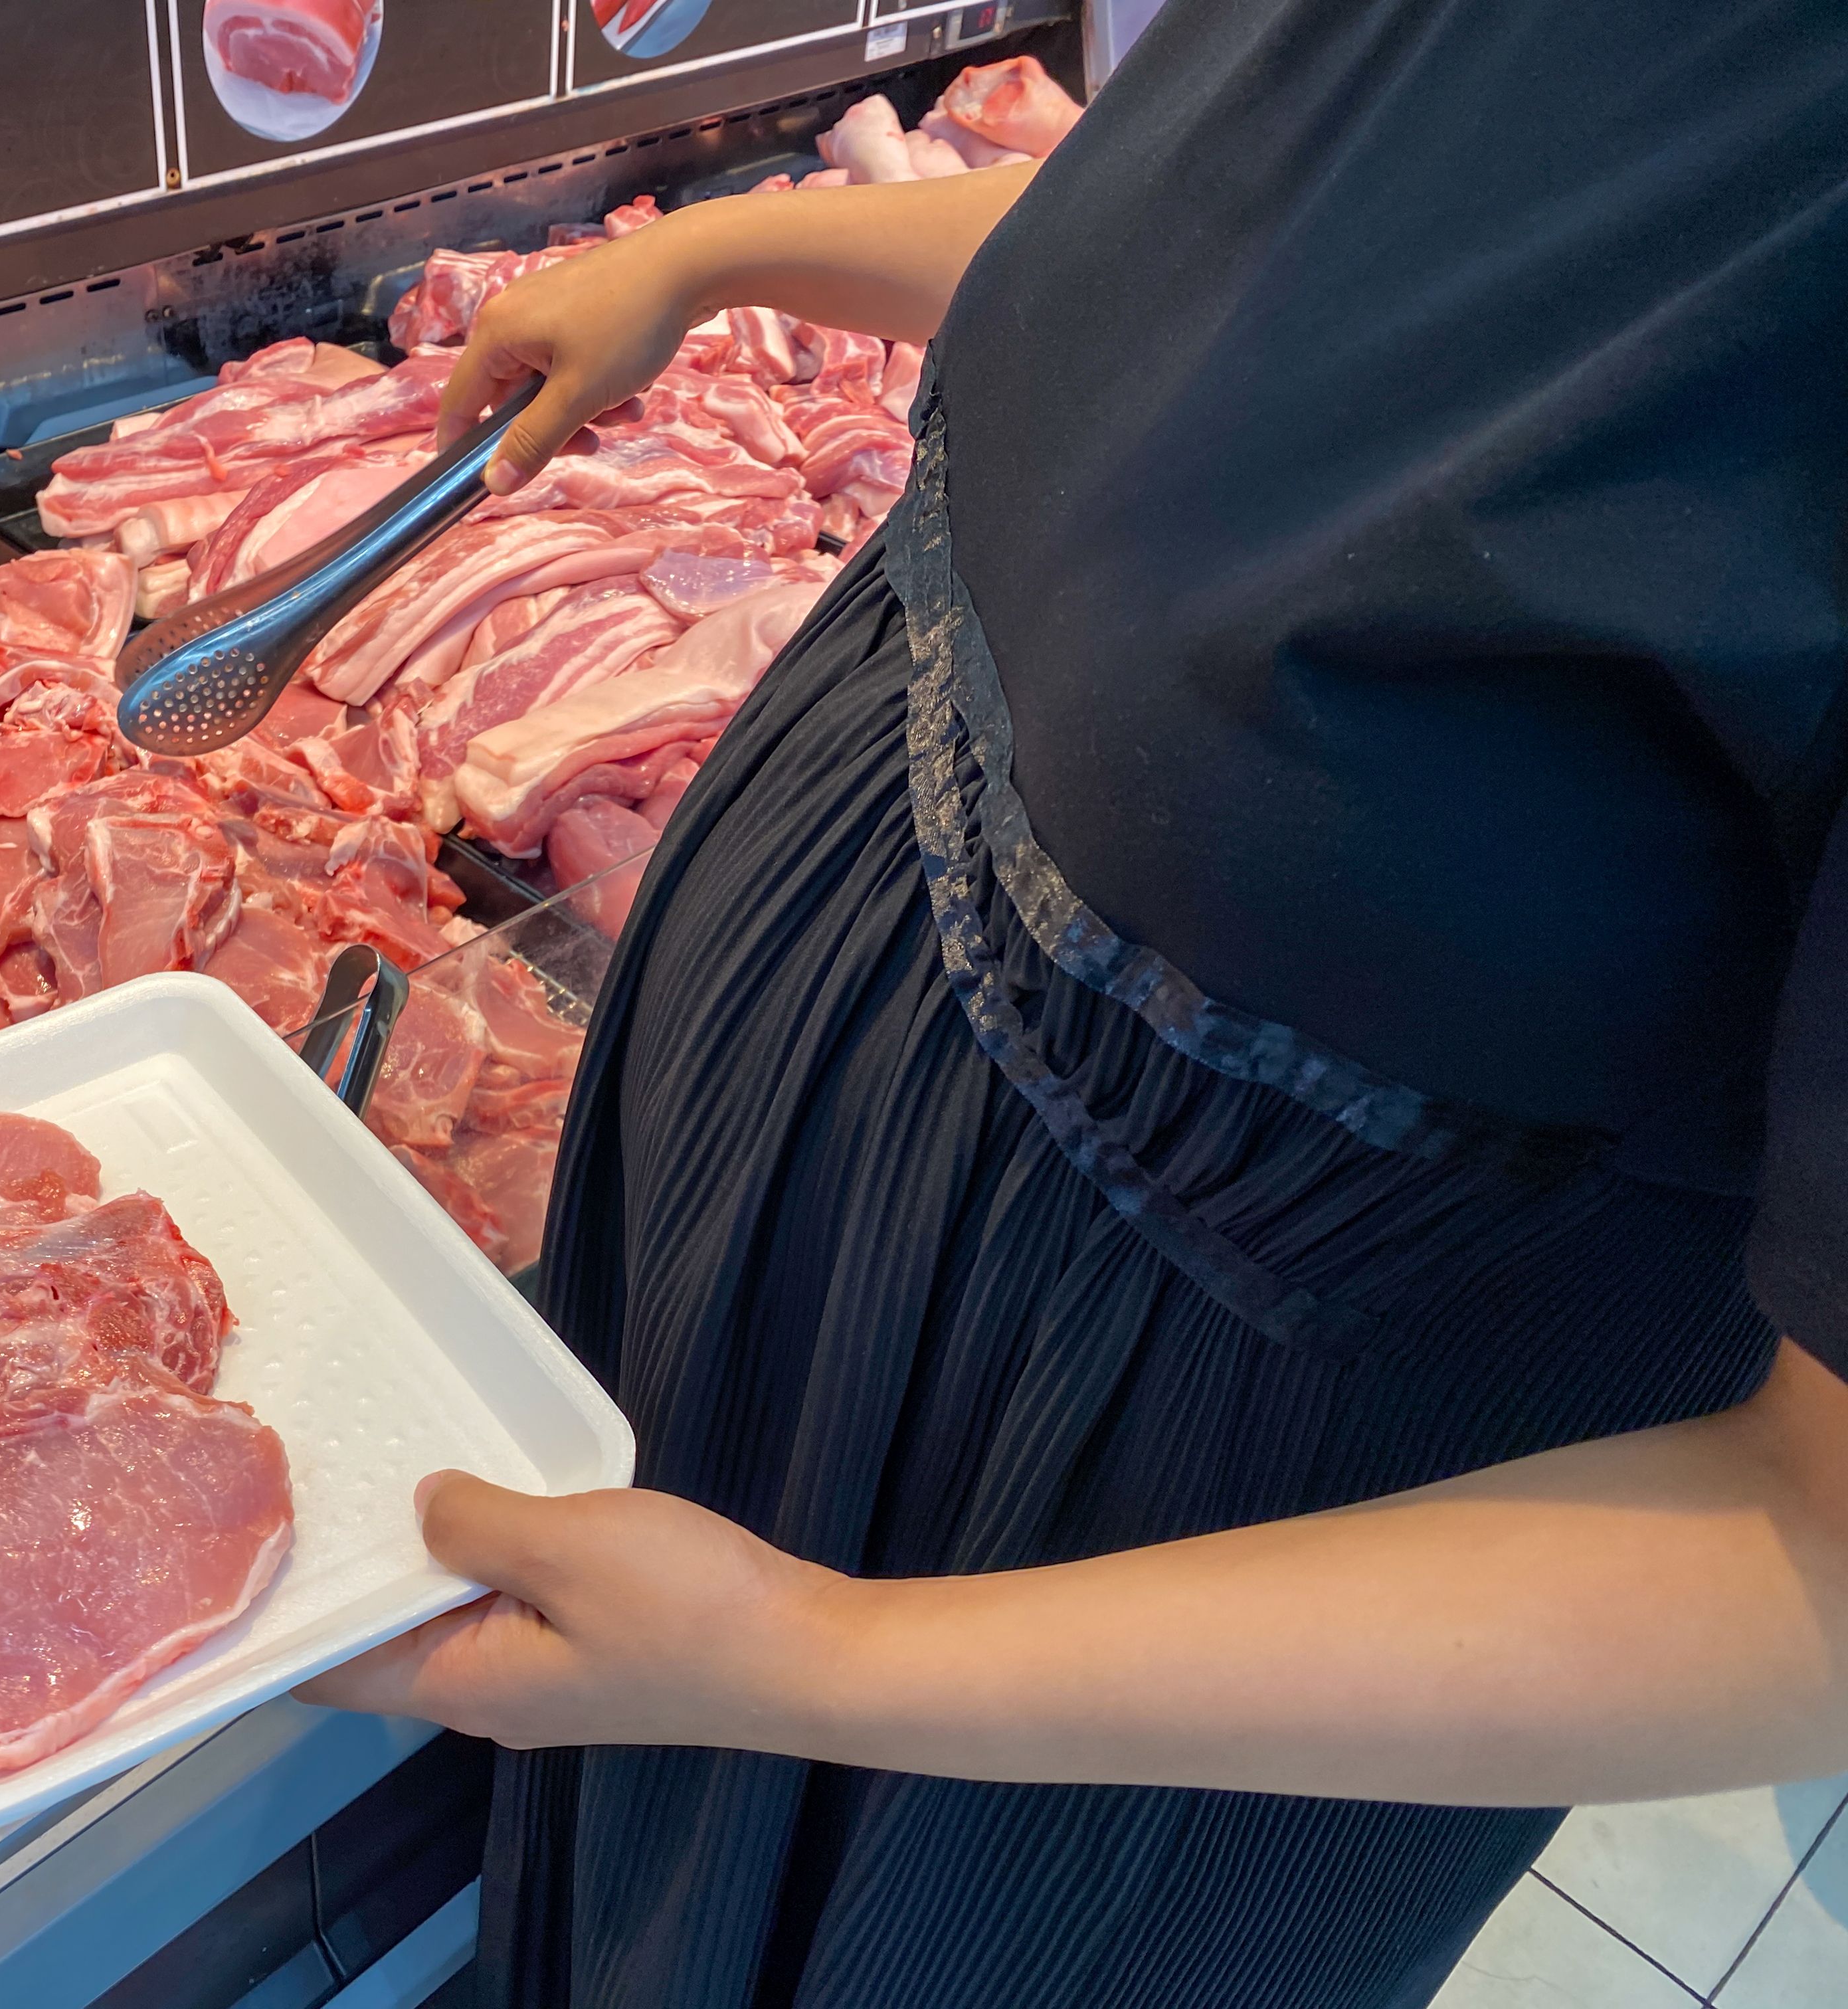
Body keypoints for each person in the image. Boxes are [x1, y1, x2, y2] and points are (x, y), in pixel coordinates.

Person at [297, 3, 1848, 2005]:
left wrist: (824, 1664)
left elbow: (1820, 1572)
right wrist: (711, 254)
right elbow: (1268, 281)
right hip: (781, 1323)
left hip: (1161, 1573)